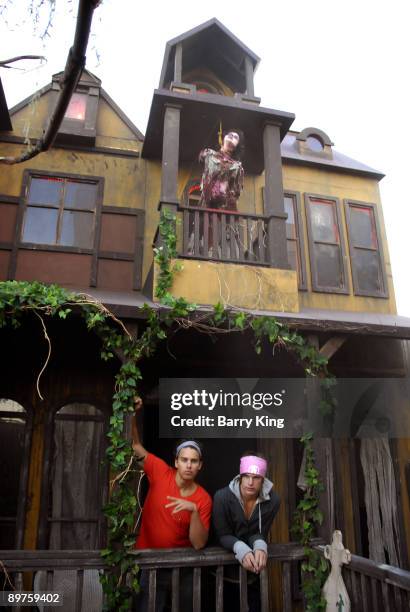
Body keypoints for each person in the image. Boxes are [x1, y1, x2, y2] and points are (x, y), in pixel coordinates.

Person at [131, 397, 212, 611]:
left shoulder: (203, 498)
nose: (188, 465)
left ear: (200, 466)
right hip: (152, 563)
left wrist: (193, 511)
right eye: (184, 460)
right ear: (176, 462)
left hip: (183, 566)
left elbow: (199, 544)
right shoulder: (160, 472)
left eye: (193, 461)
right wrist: (132, 414)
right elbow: (135, 446)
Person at [212, 452, 280, 612]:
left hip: (253, 573)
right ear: (240, 476)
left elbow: (260, 532)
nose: (250, 482)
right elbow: (222, 534)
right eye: (246, 476)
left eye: (256, 477)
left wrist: (260, 544)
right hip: (223, 574)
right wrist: (240, 548)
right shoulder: (222, 497)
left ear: (263, 479)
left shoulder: (273, 500)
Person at [199, 129, 244, 211]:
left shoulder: (237, 167)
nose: (232, 136)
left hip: (223, 209)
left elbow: (235, 192)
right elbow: (201, 159)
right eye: (230, 134)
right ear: (223, 138)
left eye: (236, 137)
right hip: (205, 205)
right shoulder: (209, 154)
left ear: (237, 146)